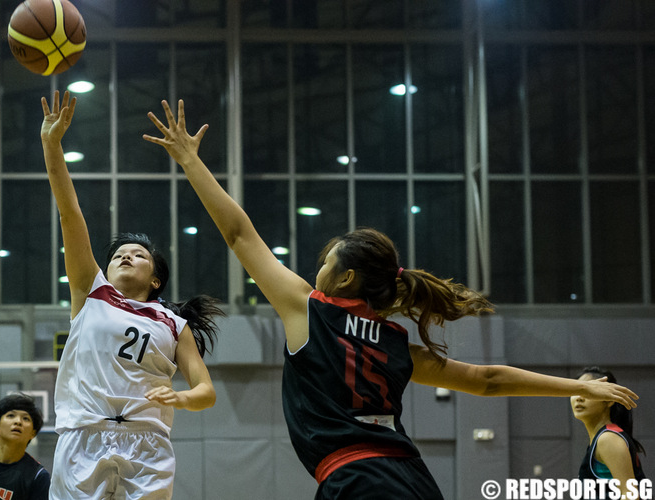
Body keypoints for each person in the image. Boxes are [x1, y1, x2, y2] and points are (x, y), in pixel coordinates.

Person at [143, 99, 640, 500]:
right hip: (413, 478)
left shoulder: (310, 309)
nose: (316, 268)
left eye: (326, 260)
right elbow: (487, 381)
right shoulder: (394, 341)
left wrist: (190, 160)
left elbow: (238, 234)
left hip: (357, 480)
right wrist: (577, 387)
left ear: (345, 279)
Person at [40, 91, 223, 500]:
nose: (125, 256)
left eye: (137, 255)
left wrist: (181, 397)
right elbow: (70, 215)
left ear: (156, 278)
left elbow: (206, 391)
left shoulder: (175, 325)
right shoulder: (92, 292)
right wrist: (52, 147)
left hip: (147, 440)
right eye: (119, 254)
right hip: (84, 433)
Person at [571, 367, 646, 499]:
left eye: (588, 392)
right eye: (576, 391)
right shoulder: (604, 437)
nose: (579, 398)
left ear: (610, 400)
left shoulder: (608, 439)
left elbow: (630, 496)